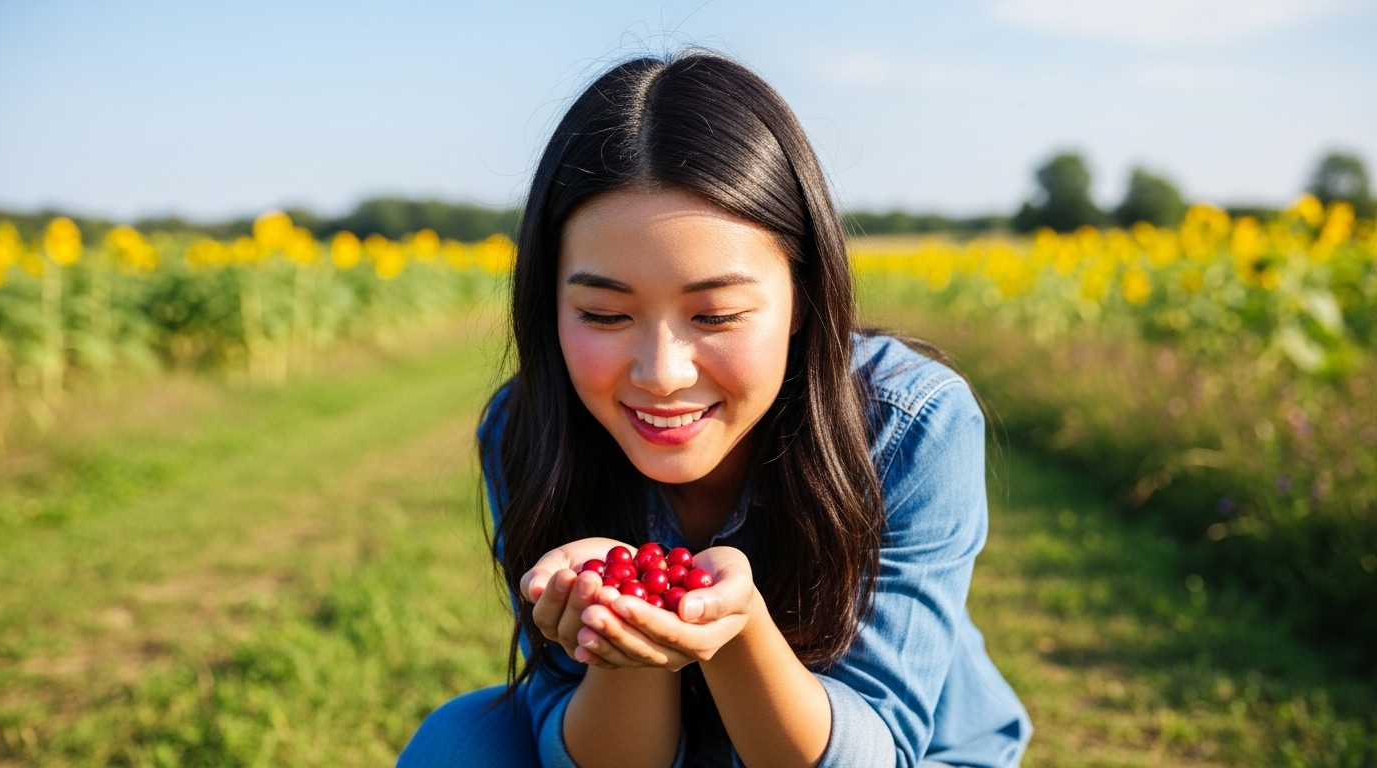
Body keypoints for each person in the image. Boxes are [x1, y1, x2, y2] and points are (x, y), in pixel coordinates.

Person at [397, 49, 1031, 768]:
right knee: (460, 743)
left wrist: (735, 626)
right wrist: (625, 635)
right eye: (604, 315)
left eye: (717, 316)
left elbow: (873, 754)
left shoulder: (909, 424)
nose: (662, 375)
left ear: (802, 298)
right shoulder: (528, 426)